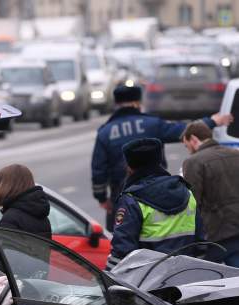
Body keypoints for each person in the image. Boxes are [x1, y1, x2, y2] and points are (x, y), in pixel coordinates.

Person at [91, 85, 232, 231]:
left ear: (117, 104)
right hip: (156, 191)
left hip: (121, 195)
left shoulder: (105, 132)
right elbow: (184, 130)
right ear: (137, 103)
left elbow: (98, 169)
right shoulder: (152, 124)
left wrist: (101, 198)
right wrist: (212, 121)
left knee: (119, 235)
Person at [106, 138, 204, 270]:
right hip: (187, 275)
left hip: (149, 281)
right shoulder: (186, 192)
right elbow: (201, 242)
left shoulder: (132, 200)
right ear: (159, 160)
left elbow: (122, 251)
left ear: (130, 167)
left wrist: (106, 279)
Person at [181, 121, 239, 266]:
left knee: (200, 275)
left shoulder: (193, 162)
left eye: (186, 145)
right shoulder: (235, 154)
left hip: (219, 233)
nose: (188, 150)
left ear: (193, 139)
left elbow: (193, 202)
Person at [0, 164, 52, 275]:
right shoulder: (42, 216)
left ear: (5, 186)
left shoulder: (11, 218)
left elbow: (3, 261)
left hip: (13, 286)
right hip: (36, 282)